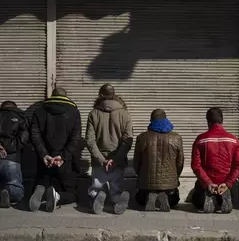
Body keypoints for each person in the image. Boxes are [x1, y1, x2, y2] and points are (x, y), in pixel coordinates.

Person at [29, 88, 83, 213]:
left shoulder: (39, 110)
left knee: (42, 181)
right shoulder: (73, 112)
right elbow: (76, 138)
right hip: (64, 161)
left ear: (52, 96)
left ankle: (39, 189)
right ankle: (57, 196)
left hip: (45, 160)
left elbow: (35, 135)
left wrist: (44, 155)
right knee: (72, 192)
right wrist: (63, 156)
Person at [86, 84, 133, 215]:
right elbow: (127, 140)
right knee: (116, 187)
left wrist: (102, 160)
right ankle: (116, 200)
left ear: (100, 95)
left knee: (96, 185)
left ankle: (97, 196)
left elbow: (90, 141)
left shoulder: (93, 114)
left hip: (99, 160)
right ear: (114, 95)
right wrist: (115, 159)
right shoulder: (125, 114)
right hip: (117, 160)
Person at [190, 107, 239, 214]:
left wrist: (208, 183)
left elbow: (196, 165)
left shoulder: (200, 139)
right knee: (234, 193)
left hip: (207, 185)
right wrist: (227, 183)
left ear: (208, 122)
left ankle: (210, 197)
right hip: (227, 184)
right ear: (222, 121)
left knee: (195, 199)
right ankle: (224, 197)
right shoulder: (234, 140)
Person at [134, 109, 184, 212]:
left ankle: (151, 194)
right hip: (169, 185)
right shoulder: (176, 138)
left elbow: (136, 161)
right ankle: (164, 194)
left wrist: (140, 175)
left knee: (139, 200)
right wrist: (175, 176)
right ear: (166, 119)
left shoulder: (142, 137)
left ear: (151, 120)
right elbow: (180, 162)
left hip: (146, 183)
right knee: (174, 201)